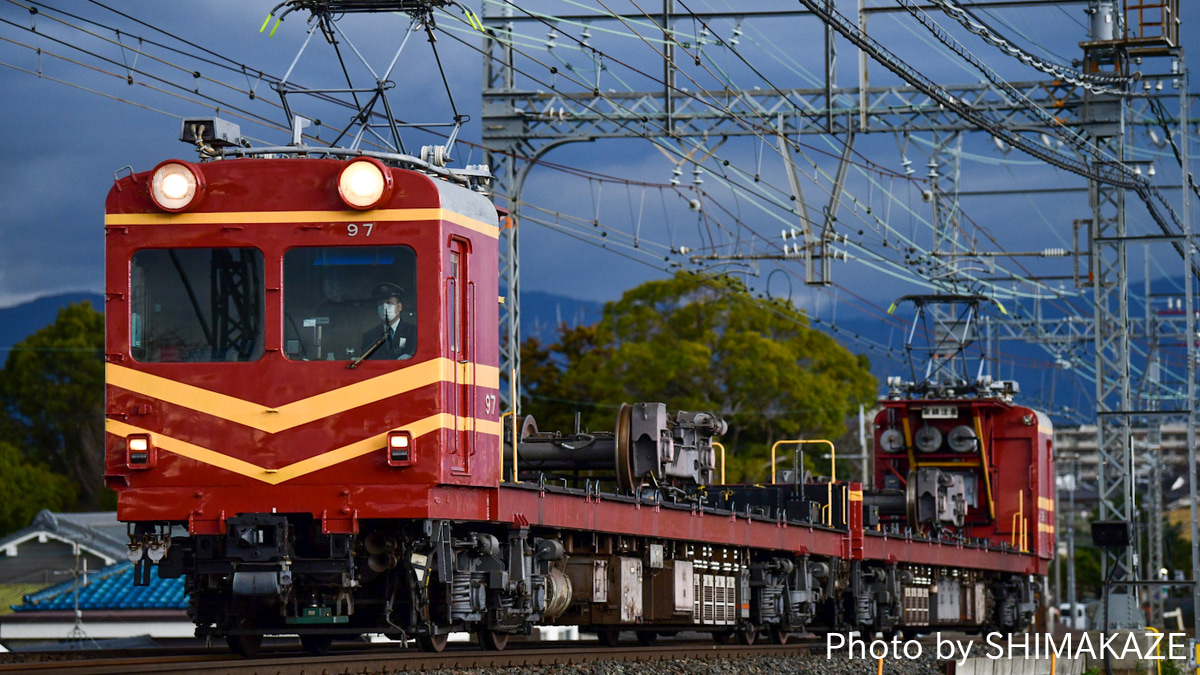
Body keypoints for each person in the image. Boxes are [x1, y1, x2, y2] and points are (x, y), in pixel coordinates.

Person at [360, 282, 416, 360]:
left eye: (389, 303)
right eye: (380, 304)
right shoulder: (370, 336)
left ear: (399, 307)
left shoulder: (413, 332)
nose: (384, 307)